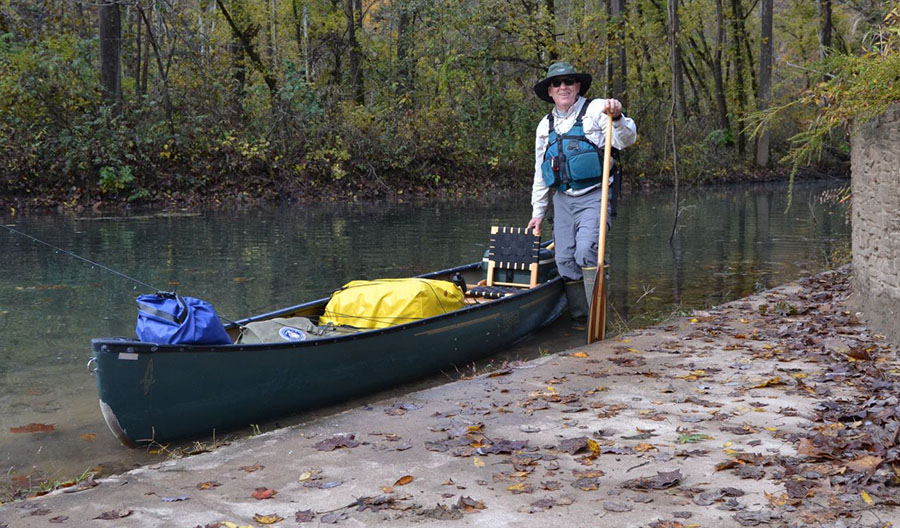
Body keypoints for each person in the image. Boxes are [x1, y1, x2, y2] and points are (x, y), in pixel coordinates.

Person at [526, 62, 637, 321]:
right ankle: (580, 319)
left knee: (586, 250)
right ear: (550, 92)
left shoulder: (598, 109)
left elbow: (626, 139)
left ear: (577, 86)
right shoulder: (544, 126)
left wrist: (618, 116)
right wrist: (538, 212)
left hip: (596, 194)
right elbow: (540, 173)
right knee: (564, 260)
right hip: (563, 199)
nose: (563, 87)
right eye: (556, 83)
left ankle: (598, 315)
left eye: (568, 82)